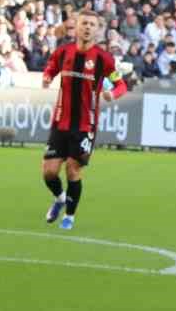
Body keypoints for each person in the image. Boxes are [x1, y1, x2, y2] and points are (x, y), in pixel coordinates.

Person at [39, 12, 122, 231]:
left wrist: (113, 94)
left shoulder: (103, 58)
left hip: (86, 125)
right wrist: (47, 77)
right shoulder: (63, 52)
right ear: (76, 27)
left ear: (97, 30)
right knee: (49, 172)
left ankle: (69, 216)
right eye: (84, 23)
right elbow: (51, 67)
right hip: (60, 122)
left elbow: (121, 84)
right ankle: (60, 198)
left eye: (92, 25)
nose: (87, 27)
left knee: (73, 170)